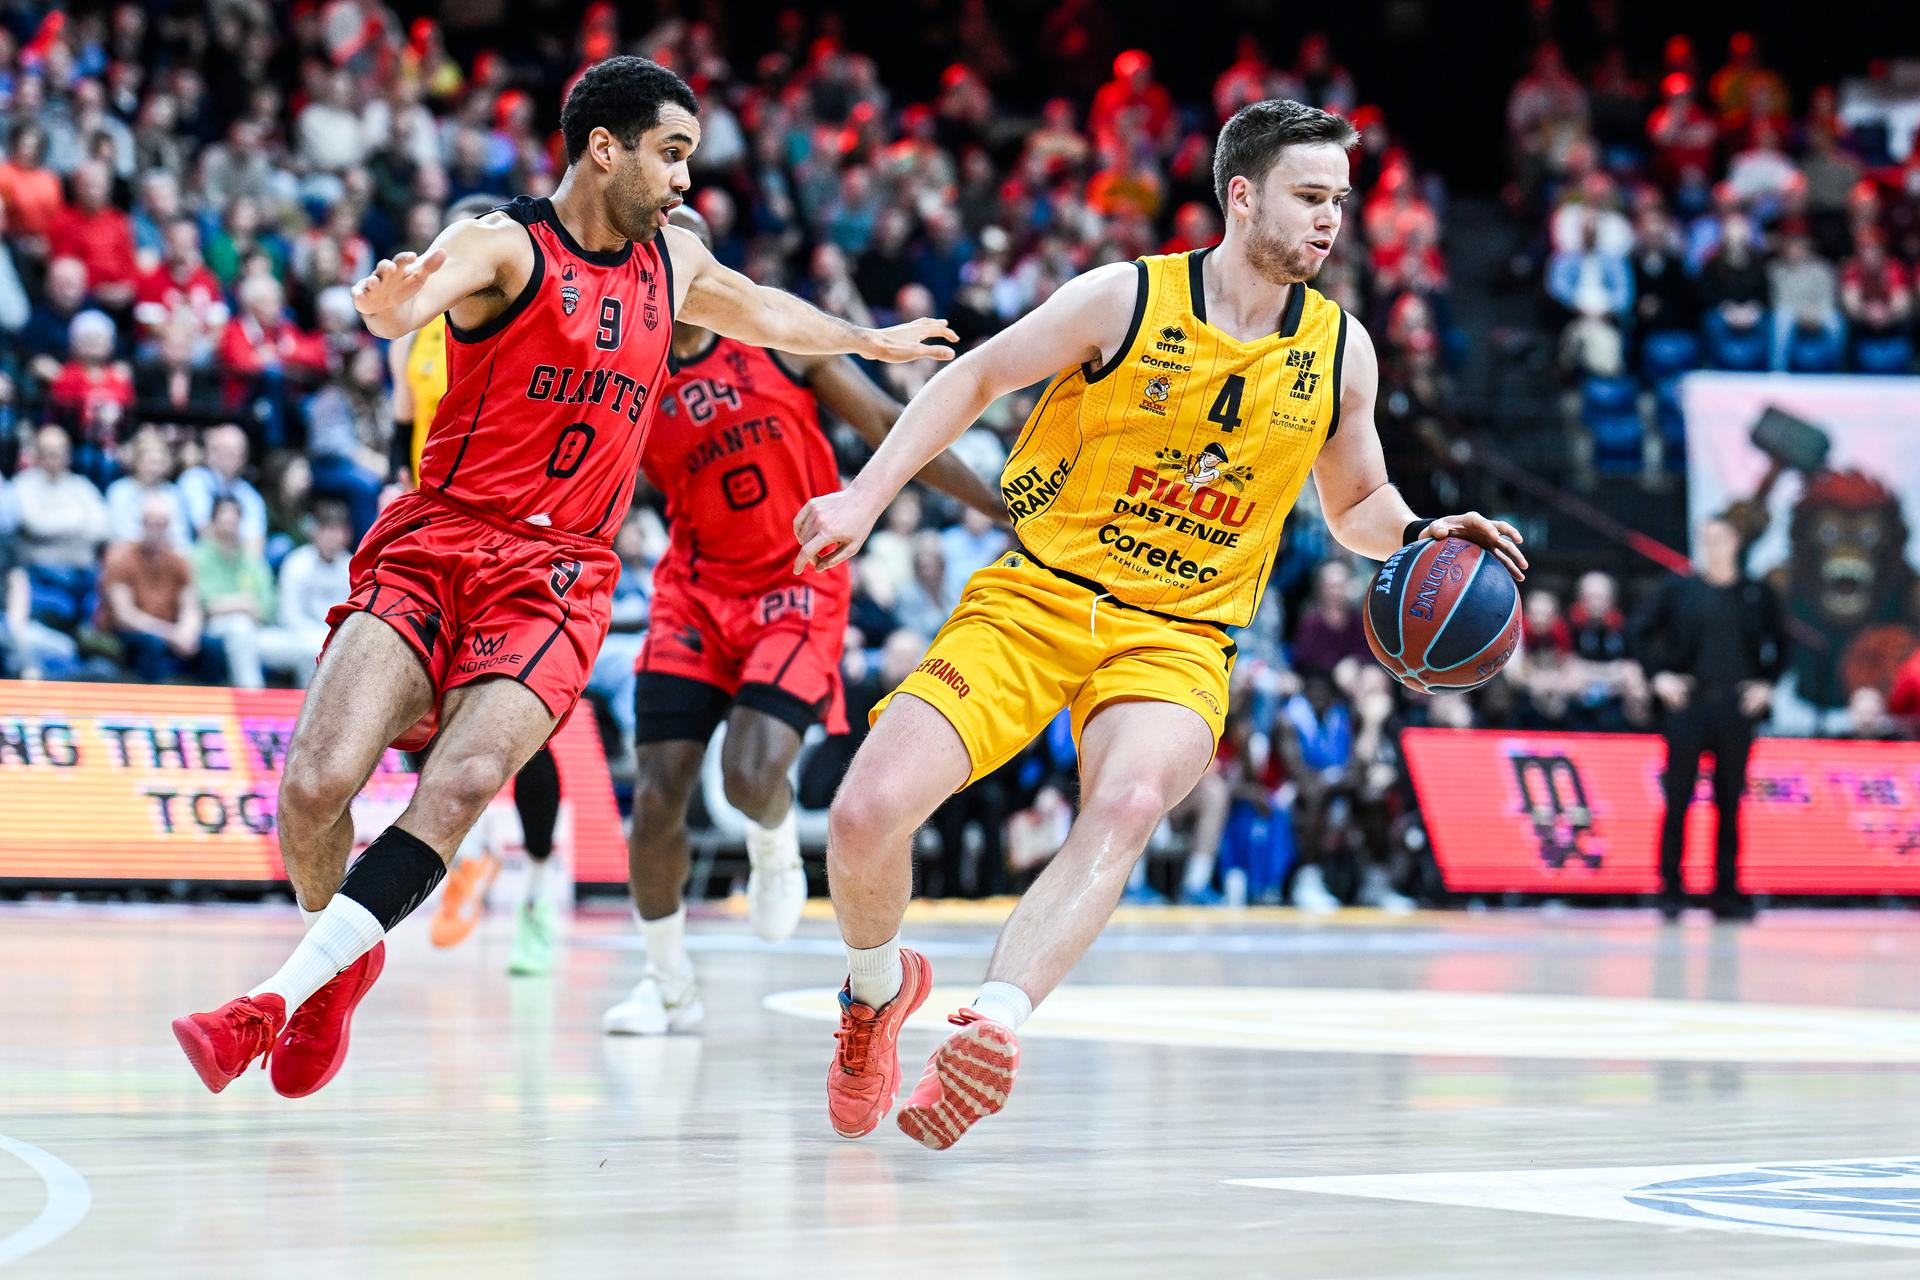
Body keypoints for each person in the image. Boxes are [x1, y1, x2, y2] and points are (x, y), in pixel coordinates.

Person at [170, 55, 957, 1098]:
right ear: (603, 148)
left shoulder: (672, 263)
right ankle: (338, 960)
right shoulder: (503, 242)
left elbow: (764, 308)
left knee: (458, 783)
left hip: (555, 575)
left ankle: (273, 999)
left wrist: (868, 339)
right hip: (436, 540)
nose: (685, 181)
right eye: (670, 155)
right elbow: (426, 286)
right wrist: (393, 310)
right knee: (313, 788)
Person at [791, 98, 1525, 1149]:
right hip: (1038, 594)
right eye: (1310, 197)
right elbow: (976, 375)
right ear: (1242, 194)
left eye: (1340, 203)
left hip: (1179, 635)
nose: (1330, 221)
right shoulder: (1124, 297)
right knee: (866, 812)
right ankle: (874, 993)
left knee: (1131, 796)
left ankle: (991, 1025)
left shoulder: (1339, 349)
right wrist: (865, 496)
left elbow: (1354, 504)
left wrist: (1416, 529)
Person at [605, 205, 1003, 1036]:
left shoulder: (781, 342)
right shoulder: (626, 375)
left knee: (752, 774)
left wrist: (1002, 508)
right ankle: (667, 984)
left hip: (796, 581)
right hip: (693, 589)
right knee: (657, 797)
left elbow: (898, 435)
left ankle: (773, 837)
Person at [1634, 515, 1784, 923]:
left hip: (1736, 709)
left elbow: (1783, 644)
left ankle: (1727, 892)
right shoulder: (1679, 589)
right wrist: (1658, 676)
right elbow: (1639, 631)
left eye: (1718, 539)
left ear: (1735, 542)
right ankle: (1670, 891)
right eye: (1704, 539)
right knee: (1679, 799)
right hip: (1689, 706)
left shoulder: (1755, 593)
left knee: (1729, 802)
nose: (1711, 547)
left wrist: (1766, 684)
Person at [98, 492, 224, 684]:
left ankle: (209, 709)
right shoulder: (120, 558)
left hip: (169, 629)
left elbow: (191, 606)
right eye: (151, 523)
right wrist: (171, 634)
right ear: (141, 524)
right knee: (152, 644)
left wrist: (187, 631)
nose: (157, 529)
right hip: (129, 632)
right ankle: (150, 708)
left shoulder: (178, 561)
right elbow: (125, 616)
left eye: (162, 523)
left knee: (212, 647)